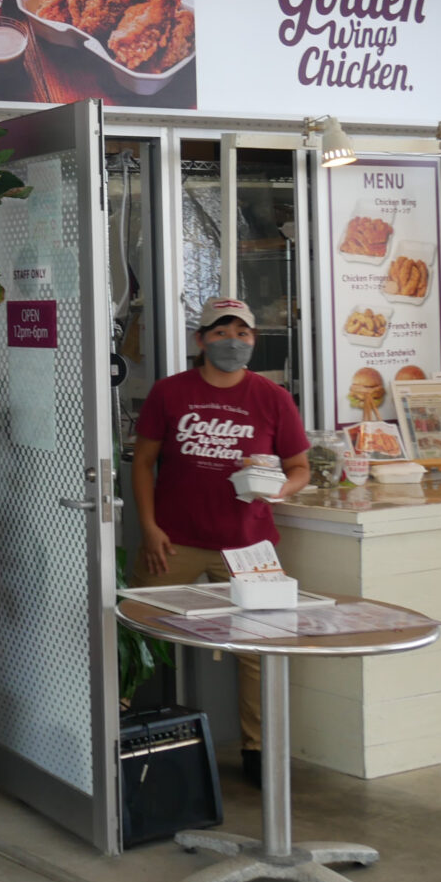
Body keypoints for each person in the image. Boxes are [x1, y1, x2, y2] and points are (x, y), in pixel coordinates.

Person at [130, 297, 311, 787]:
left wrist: (279, 489)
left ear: (254, 339)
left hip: (249, 546)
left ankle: (259, 751)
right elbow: (143, 462)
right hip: (173, 543)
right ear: (201, 340)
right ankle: (111, 730)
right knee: (133, 634)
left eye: (242, 333)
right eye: (221, 332)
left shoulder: (273, 397)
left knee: (260, 649)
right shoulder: (170, 392)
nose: (233, 342)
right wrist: (149, 527)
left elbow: (299, 467)